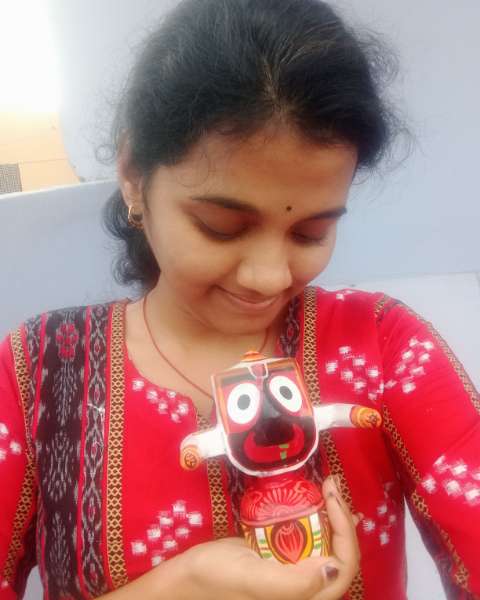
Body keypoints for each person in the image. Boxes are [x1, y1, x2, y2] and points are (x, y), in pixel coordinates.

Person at [1, 0, 479, 598]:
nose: (268, 276)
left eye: (310, 232)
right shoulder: (40, 371)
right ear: (133, 175)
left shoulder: (381, 344)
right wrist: (178, 587)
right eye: (221, 227)